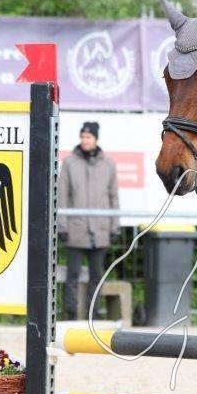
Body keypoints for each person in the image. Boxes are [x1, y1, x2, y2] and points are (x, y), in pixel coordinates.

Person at [59, 121, 120, 320]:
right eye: (82, 137)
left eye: (88, 137)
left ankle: (93, 313)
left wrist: (114, 226)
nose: (85, 140)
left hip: (100, 229)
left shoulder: (108, 165)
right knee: (72, 275)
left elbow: (113, 197)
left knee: (97, 275)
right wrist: (62, 225)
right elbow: (62, 196)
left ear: (95, 138)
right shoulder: (70, 163)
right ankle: (71, 314)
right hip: (76, 229)